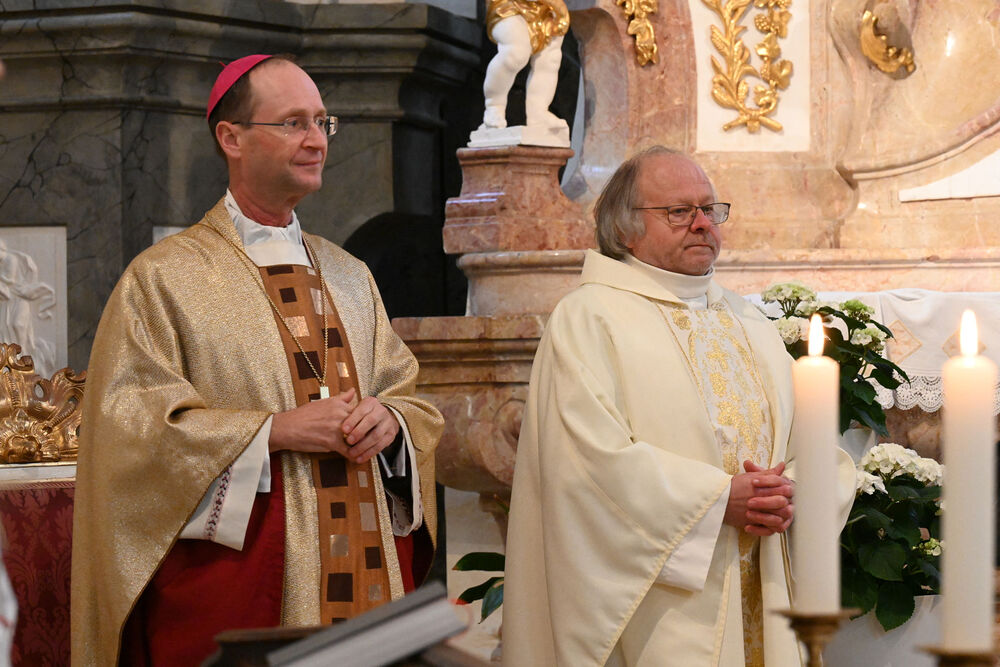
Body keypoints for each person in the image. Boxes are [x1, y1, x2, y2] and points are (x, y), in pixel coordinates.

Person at [70, 54, 443, 666]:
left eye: (323, 121)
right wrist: (273, 431)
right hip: (246, 584)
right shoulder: (164, 279)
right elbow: (129, 436)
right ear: (232, 138)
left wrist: (392, 422)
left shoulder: (350, 275)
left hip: (366, 563)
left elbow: (406, 393)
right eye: (293, 122)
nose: (316, 140)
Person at [502, 147, 855, 666]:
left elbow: (812, 443)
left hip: (764, 581)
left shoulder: (748, 320)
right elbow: (585, 467)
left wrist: (792, 494)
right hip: (661, 612)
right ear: (625, 229)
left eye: (709, 209)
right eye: (678, 211)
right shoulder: (589, 318)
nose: (702, 224)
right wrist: (717, 501)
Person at [480, 0, 569, 130]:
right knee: (516, 52)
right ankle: (494, 106)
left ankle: (538, 114)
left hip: (547, 9)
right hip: (509, 5)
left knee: (550, 59)